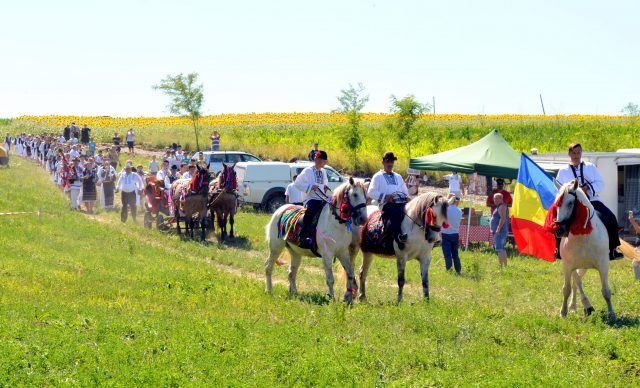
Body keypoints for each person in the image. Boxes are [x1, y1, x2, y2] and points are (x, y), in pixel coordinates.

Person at [556, 143, 622, 260]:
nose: (576, 155)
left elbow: (600, 183)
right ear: (569, 154)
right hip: (572, 205)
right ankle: (558, 250)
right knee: (558, 220)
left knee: (611, 217)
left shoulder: (590, 167)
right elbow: (560, 189)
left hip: (592, 201)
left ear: (581, 153)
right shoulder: (563, 171)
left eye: (578, 152)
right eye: (573, 153)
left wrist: (587, 188)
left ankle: (613, 249)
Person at [367, 151, 410, 249]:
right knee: (395, 210)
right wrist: (386, 196)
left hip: (401, 202)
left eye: (391, 162)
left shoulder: (398, 177)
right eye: (388, 161)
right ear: (383, 162)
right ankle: (398, 237)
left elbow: (405, 192)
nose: (390, 164)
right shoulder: (378, 176)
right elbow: (370, 192)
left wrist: (407, 197)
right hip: (386, 204)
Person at [294, 150, 330, 248]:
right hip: (310, 199)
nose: (324, 163)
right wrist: (310, 187)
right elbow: (297, 183)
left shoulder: (323, 171)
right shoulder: (308, 170)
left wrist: (325, 187)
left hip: (321, 198)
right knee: (312, 209)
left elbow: (324, 183)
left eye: (324, 161)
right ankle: (303, 235)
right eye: (322, 160)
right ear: (317, 160)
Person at [441, 194, 463, 274]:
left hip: (446, 234)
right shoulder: (459, 210)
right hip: (455, 234)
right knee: (455, 254)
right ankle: (458, 269)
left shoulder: (446, 210)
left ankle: (449, 270)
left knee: (447, 254)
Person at [490, 193, 509, 268]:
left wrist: (498, 229)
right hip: (499, 231)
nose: (495, 200)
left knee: (500, 248)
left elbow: (503, 218)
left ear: (501, 199)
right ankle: (503, 266)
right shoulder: (499, 206)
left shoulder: (502, 206)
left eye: (497, 198)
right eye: (494, 198)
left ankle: (502, 266)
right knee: (501, 248)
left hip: (500, 232)